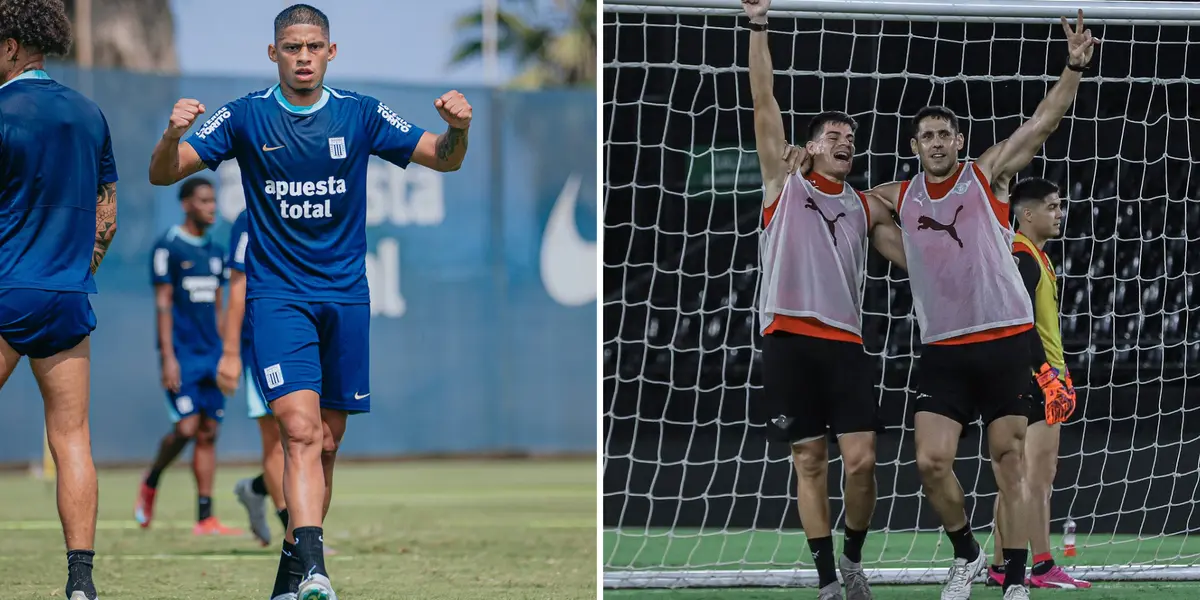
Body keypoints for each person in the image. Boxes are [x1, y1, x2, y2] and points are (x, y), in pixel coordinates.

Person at [147, 4, 472, 599]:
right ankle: (318, 570)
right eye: (292, 47)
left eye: (314, 46)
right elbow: (163, 174)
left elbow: (443, 156)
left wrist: (460, 128)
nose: (303, 57)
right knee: (297, 431)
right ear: (273, 54)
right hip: (278, 299)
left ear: (331, 52)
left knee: (325, 444)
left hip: (346, 298)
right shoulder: (244, 116)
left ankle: (288, 580)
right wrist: (172, 136)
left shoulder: (361, 114)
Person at [861, 10, 1095, 600]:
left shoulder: (985, 177)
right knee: (930, 464)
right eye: (927, 136)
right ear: (914, 146)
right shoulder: (899, 196)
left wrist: (1072, 67)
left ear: (959, 142)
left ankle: (1014, 579)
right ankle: (966, 554)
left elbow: (1041, 125)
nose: (938, 143)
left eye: (946, 134)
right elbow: (851, 210)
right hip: (943, 348)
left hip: (1003, 342)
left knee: (1007, 460)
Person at [742, 2, 908, 599]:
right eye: (832, 135)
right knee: (809, 462)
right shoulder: (782, 182)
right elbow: (764, 102)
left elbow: (914, 220)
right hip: (787, 339)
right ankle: (827, 581)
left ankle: (855, 557)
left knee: (861, 461)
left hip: (844, 344)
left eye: (850, 138)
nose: (844, 141)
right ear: (807, 148)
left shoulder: (864, 205)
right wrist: (758, 26)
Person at [0, 2, 115, 598]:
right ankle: (80, 584)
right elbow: (107, 217)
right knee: (71, 440)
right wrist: (75, 270)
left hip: (6, 291)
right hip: (68, 298)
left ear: (13, 46)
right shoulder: (89, 112)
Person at [986, 178, 1087, 589]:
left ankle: (997, 566)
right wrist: (1049, 375)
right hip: (1034, 378)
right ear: (1027, 214)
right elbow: (1020, 322)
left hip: (1028, 375)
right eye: (1052, 206)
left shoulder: (1032, 256)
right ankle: (1042, 565)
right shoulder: (1024, 257)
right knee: (1037, 477)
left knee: (1015, 477)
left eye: (1059, 205)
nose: (1059, 213)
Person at [133, 177, 243, 537]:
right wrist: (168, 357)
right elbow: (163, 305)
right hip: (182, 355)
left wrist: (228, 351)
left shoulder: (215, 252)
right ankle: (151, 480)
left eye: (214, 201)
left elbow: (219, 305)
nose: (212, 207)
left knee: (209, 431)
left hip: (212, 354)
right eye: (204, 201)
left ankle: (205, 517)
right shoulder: (168, 247)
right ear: (186, 204)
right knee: (186, 427)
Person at [224, 207, 288, 547]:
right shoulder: (250, 218)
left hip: (306, 338)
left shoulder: (317, 205)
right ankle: (297, 534)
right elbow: (238, 284)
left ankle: (255, 490)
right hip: (261, 346)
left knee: (316, 438)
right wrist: (231, 353)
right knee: (278, 441)